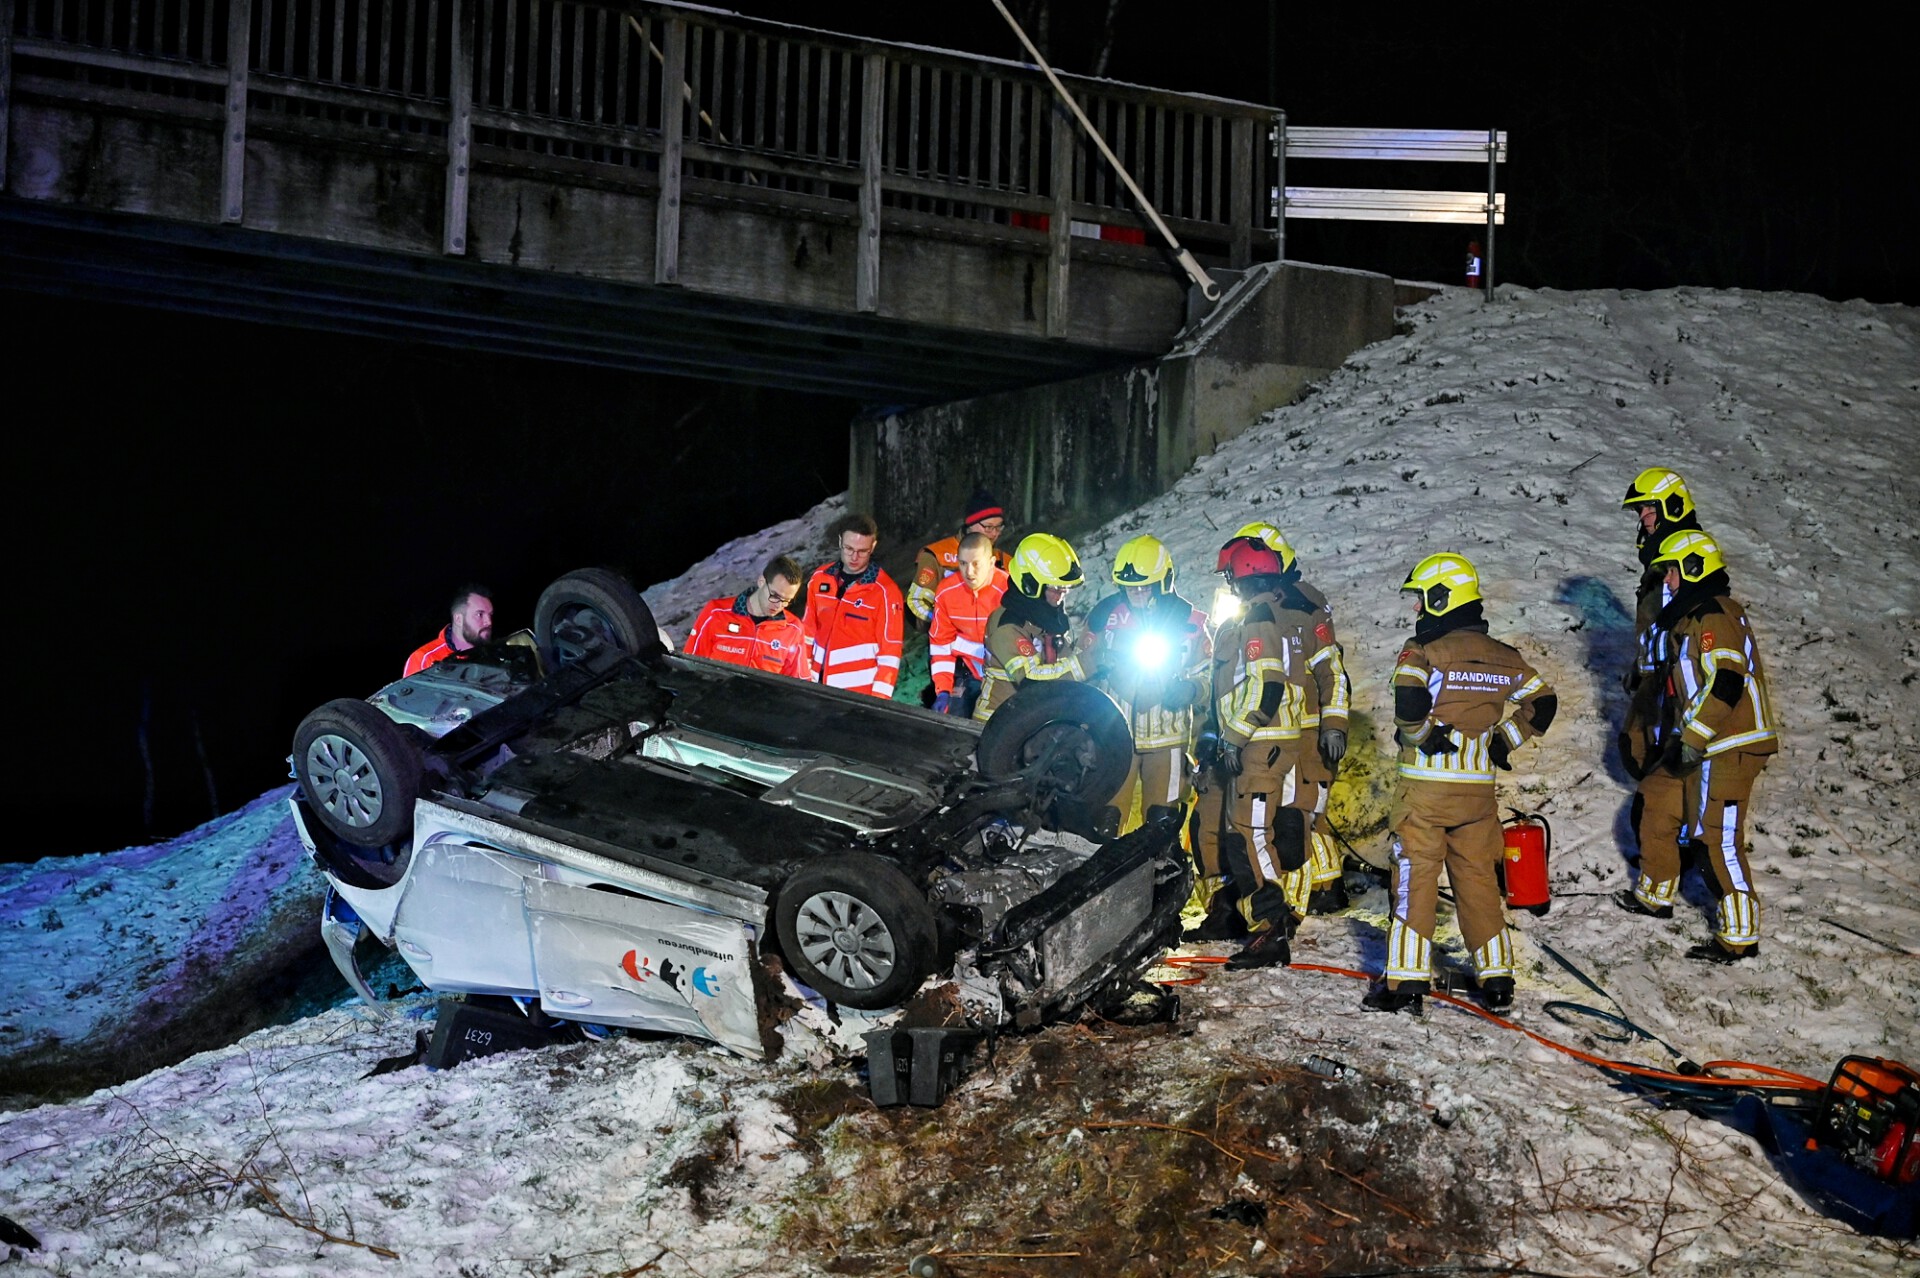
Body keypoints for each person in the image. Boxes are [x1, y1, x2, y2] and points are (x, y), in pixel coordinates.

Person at [1365, 553, 1556, 1014]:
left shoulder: (1423, 650)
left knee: (1415, 879)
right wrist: (1502, 742)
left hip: (1426, 793)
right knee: (1477, 883)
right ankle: (1497, 979)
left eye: (1422, 599)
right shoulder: (1504, 658)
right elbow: (1544, 703)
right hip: (1477, 796)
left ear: (1441, 597)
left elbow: (1409, 704)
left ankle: (1405, 982)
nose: (1417, 610)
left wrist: (1422, 736)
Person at [1615, 530, 1779, 963]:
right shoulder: (1690, 620)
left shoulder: (1715, 615)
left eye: (1671, 572)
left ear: (1691, 569)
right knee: (1657, 798)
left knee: (1715, 838)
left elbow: (1725, 682)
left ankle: (1740, 936)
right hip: (1699, 741)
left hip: (1726, 744)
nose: (1667, 582)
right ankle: (1656, 894)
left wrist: (1693, 738)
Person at [1189, 534, 1347, 969]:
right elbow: (1229, 686)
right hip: (1256, 742)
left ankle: (1272, 929)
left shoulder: (1260, 617)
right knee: (1238, 833)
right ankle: (1247, 919)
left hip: (1262, 743)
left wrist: (1234, 738)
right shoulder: (1245, 620)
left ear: (1239, 579)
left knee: (1253, 834)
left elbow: (1267, 687)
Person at [1232, 522, 1354, 915]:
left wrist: (1333, 725)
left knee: (1297, 815)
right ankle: (1320, 889)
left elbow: (1330, 669)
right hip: (1280, 726)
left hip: (1305, 727)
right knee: (1291, 816)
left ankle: (1303, 901)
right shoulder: (1260, 608)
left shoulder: (1304, 602)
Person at [1088, 535, 1210, 832]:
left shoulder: (1191, 623)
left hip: (1167, 742)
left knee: (1162, 822)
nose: (1137, 593)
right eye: (1131, 588)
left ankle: (1162, 876)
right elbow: (1085, 665)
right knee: (1105, 819)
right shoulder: (1107, 617)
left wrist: (1191, 690)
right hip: (1116, 737)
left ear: (1163, 581)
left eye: (1144, 587)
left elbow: (1208, 675)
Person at [973, 533, 1093, 724]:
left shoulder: (1045, 619)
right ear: (1030, 584)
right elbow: (1032, 679)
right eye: (1055, 588)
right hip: (996, 726)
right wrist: (1086, 664)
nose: (1061, 595)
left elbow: (1064, 661)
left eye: (1065, 588)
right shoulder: (1007, 625)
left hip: (1029, 721)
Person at [803, 513, 905, 699]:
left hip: (858, 695)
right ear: (840, 541)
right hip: (815, 686)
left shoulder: (885, 592)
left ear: (873, 546)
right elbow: (807, 632)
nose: (854, 557)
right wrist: (802, 676)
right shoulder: (820, 578)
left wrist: (878, 702)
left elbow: (890, 652)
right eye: (849, 548)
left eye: (862, 551)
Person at [684, 556, 812, 679]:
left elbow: (799, 683)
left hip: (761, 700)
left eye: (786, 600)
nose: (779, 605)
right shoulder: (716, 613)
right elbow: (689, 666)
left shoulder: (793, 629)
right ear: (761, 582)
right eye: (775, 595)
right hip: (716, 698)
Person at [928, 533, 1008, 717]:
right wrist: (943, 691)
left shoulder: (1008, 591)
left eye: (976, 564)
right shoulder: (946, 591)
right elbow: (940, 646)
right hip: (967, 673)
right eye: (963, 563)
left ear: (992, 562)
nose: (969, 572)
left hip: (1004, 679)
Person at [906, 488, 1012, 624]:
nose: (994, 533)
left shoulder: (1004, 560)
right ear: (970, 523)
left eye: (998, 528)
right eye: (988, 527)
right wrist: (946, 624)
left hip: (993, 638)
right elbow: (917, 602)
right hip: (949, 638)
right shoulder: (937, 555)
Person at [404, 584, 494, 676]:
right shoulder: (424, 659)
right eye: (479, 615)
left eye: (490, 615)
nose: (489, 622)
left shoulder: (493, 657)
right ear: (458, 619)